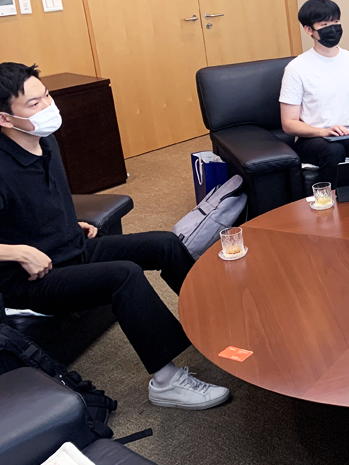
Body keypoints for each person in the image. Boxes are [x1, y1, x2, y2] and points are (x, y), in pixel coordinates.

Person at [0, 62, 229, 410]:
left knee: (165, 244)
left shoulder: (44, 140)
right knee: (124, 275)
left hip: (72, 248)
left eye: (46, 96)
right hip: (31, 280)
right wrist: (19, 252)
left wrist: (67, 220)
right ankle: (166, 383)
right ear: (5, 118)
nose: (48, 107)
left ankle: (218, 324)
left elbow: (37, 194)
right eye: (34, 104)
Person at [280, 0, 349, 184]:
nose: (332, 29)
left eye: (336, 22)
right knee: (333, 150)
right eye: (324, 25)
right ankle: (333, 200)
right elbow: (288, 123)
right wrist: (323, 132)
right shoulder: (296, 68)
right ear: (308, 30)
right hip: (316, 139)